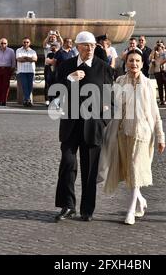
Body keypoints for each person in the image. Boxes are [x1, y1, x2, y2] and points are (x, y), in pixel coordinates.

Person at [98, 47, 165, 225]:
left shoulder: (149, 84)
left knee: (135, 168)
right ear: (125, 63)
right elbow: (111, 105)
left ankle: (130, 211)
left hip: (143, 132)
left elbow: (155, 112)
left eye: (137, 61)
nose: (133, 63)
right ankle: (141, 201)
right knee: (129, 170)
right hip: (122, 132)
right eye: (130, 60)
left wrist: (161, 136)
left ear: (142, 64)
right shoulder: (119, 81)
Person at [54, 31, 113, 223]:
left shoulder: (103, 68)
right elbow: (53, 92)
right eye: (86, 45)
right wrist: (70, 79)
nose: (89, 49)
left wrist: (103, 119)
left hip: (93, 126)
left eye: (92, 45)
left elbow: (112, 100)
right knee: (68, 164)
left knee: (90, 170)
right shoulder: (66, 66)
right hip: (70, 124)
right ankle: (67, 206)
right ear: (77, 46)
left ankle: (87, 209)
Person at [0, 38, 16, 106]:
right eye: (2, 43)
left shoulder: (11, 51)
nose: (3, 45)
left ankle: (3, 101)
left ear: (7, 44)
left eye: (5, 43)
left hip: (7, 69)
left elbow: (13, 61)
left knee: (5, 86)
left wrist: (12, 69)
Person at [16, 37, 37, 107]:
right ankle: (28, 99)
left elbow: (35, 59)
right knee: (24, 85)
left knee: (30, 86)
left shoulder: (33, 51)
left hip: (31, 70)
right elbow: (19, 59)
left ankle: (26, 100)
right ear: (22, 43)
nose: (25, 43)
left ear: (29, 43)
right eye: (24, 42)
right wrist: (29, 59)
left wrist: (25, 58)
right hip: (22, 70)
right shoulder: (18, 50)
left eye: (27, 42)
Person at [149, 41, 166, 105]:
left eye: (161, 44)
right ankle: (161, 100)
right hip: (157, 70)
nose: (159, 46)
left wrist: (163, 49)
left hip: (165, 70)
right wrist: (154, 50)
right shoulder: (155, 51)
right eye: (158, 44)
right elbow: (150, 58)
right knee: (160, 86)